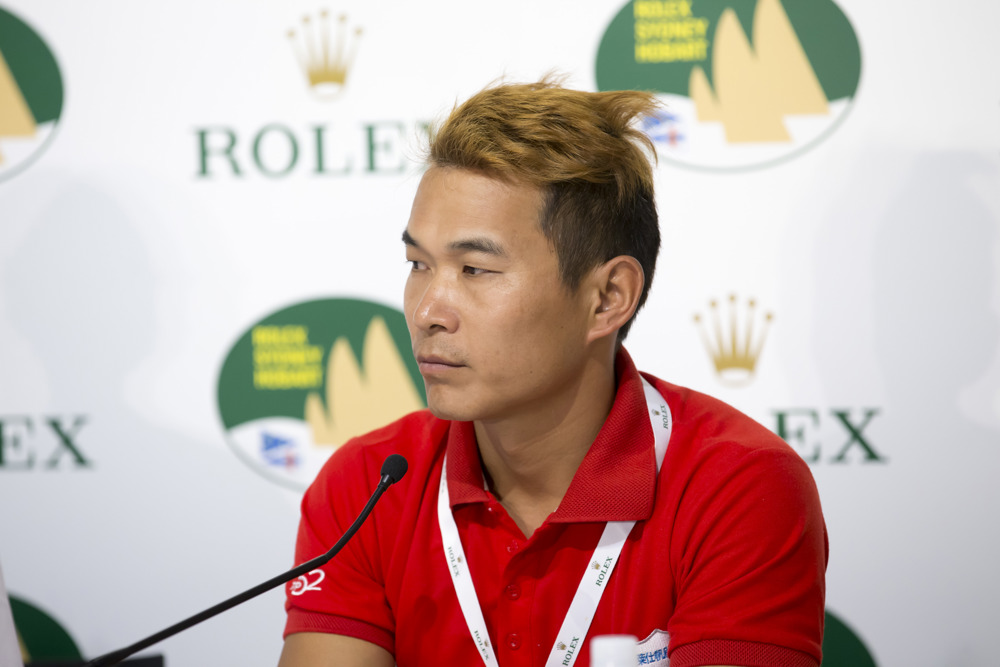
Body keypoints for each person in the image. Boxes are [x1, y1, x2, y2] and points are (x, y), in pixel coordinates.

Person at [278, 79, 827, 667]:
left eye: (474, 270)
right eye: (418, 264)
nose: (427, 312)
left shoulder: (738, 486)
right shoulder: (366, 486)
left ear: (607, 297)